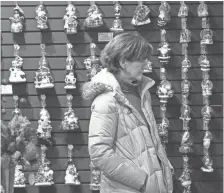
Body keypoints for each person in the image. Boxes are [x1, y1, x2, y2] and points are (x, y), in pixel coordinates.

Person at [81, 32, 174, 193]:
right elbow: (99, 152)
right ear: (123, 61)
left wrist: (163, 167)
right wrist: (141, 180)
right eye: (141, 58)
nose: (146, 63)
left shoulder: (141, 93)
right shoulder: (106, 100)